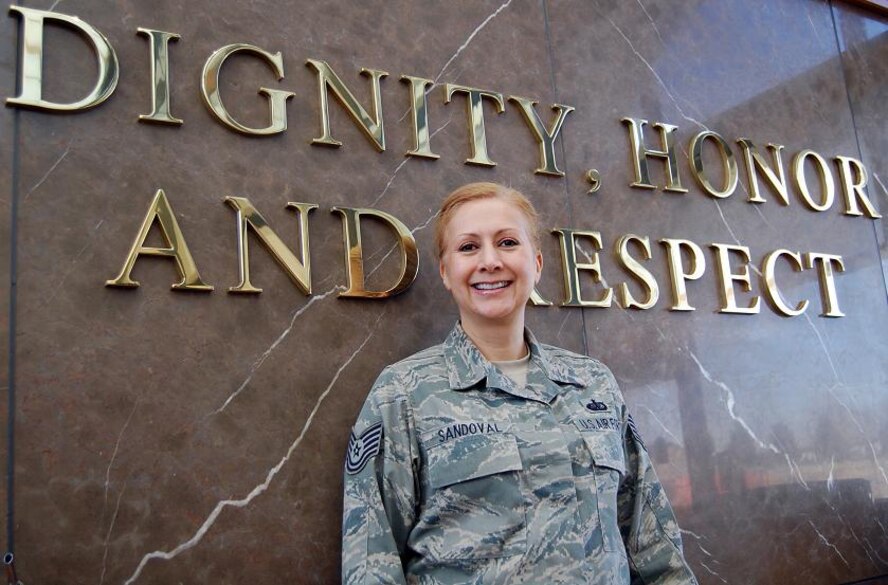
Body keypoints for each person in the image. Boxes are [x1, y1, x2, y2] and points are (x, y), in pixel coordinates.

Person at [342, 182, 698, 584]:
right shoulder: (404, 393)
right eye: (468, 247)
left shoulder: (592, 384)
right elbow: (372, 562)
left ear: (538, 263)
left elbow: (652, 544)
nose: (490, 261)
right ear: (445, 272)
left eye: (508, 242)